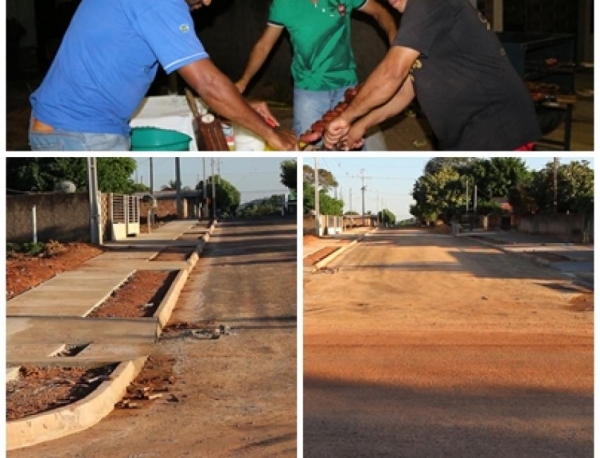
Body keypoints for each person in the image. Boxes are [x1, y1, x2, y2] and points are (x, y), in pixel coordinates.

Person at [28, 0, 297, 151]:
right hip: (79, 131)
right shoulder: (160, 2)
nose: (207, 2)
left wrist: (243, 107)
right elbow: (208, 83)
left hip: (72, 127)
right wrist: (272, 135)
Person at [324, 0, 542, 151]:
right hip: (468, 133)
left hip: (496, 131)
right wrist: (361, 125)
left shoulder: (428, 3)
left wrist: (346, 117)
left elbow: (392, 72)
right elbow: (406, 90)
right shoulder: (419, 16)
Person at [235, 0, 397, 142]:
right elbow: (264, 46)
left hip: (347, 84)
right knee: (307, 147)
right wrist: (244, 80)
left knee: (350, 144)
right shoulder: (284, 3)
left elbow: (379, 12)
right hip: (308, 88)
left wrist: (397, 44)